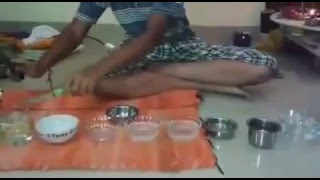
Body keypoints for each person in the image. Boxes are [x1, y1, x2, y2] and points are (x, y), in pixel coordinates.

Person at [21, 2, 278, 99]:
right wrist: (41, 65)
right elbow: (75, 32)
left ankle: (166, 75)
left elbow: (153, 36)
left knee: (264, 66)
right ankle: (184, 83)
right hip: (134, 49)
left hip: (182, 46)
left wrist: (97, 70)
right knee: (85, 84)